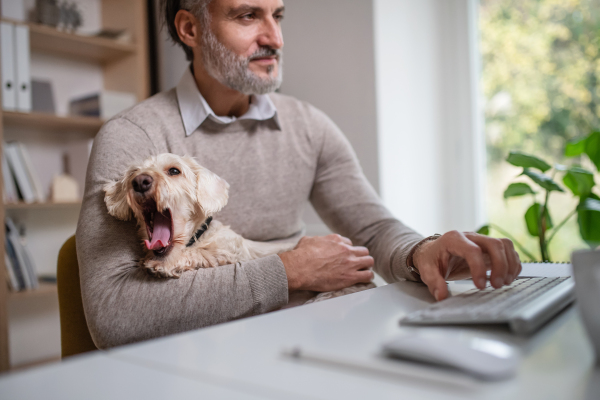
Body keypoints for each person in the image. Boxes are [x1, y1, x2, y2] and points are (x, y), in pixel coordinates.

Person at [76, 0, 521, 349]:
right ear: (191, 29)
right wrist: (287, 271)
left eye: (278, 15)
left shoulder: (309, 126)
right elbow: (116, 315)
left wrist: (421, 251)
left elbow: (372, 227)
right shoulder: (130, 138)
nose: (274, 37)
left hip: (298, 350)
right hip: (186, 369)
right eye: (248, 16)